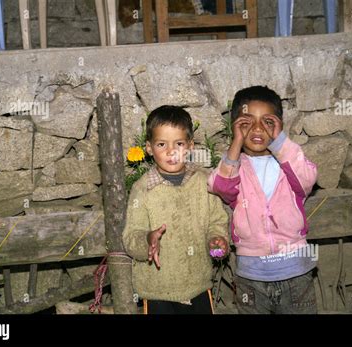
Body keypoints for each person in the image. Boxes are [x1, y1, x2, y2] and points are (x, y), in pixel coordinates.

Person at [208, 86, 319, 314]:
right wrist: (235, 147)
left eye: (267, 122)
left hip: (295, 272)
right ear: (235, 128)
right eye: (246, 123)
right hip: (251, 275)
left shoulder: (288, 164)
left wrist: (281, 143)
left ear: (278, 126)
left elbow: (308, 178)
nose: (257, 128)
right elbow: (220, 186)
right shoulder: (236, 168)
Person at [123, 105, 229, 314]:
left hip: (198, 285)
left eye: (179, 143)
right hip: (157, 291)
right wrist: (147, 240)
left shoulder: (203, 182)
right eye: (162, 144)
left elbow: (217, 221)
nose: (171, 151)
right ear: (149, 148)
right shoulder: (142, 189)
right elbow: (131, 237)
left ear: (190, 146)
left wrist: (217, 240)